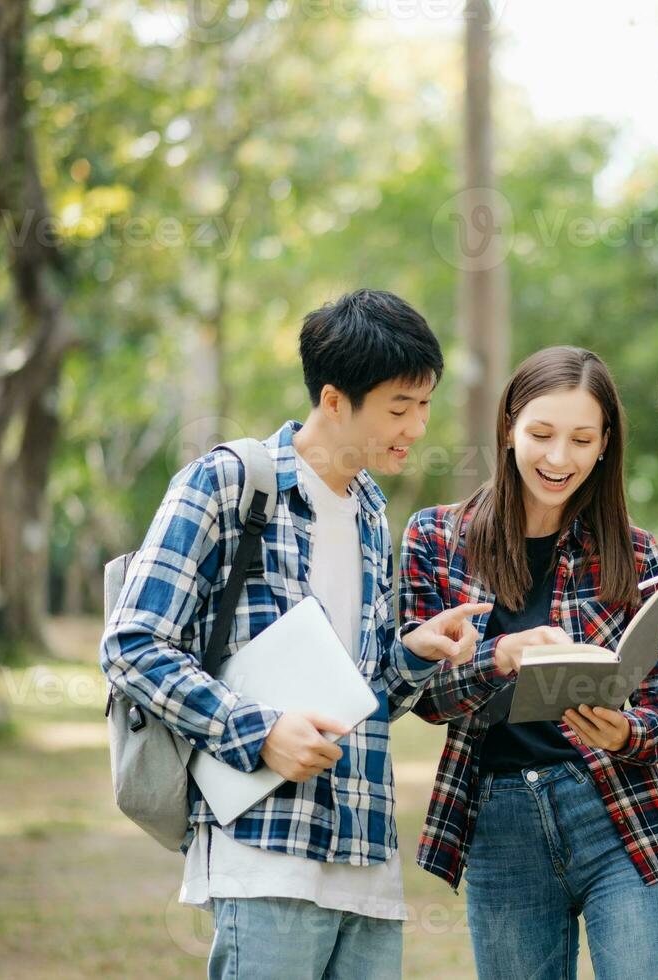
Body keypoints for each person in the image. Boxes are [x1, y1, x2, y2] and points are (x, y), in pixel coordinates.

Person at [100, 288, 489, 980]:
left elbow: (356, 696)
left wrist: (412, 654)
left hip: (365, 853)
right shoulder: (229, 483)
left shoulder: (371, 514)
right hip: (264, 849)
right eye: (400, 408)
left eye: (424, 405)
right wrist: (260, 732)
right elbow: (132, 645)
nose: (418, 427)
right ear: (335, 401)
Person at [400, 346, 658, 979]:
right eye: (541, 434)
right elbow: (420, 696)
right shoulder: (434, 537)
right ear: (509, 426)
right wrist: (497, 657)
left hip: (618, 813)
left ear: (604, 444)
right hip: (499, 823)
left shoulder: (637, 555)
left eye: (581, 439)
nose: (559, 459)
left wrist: (627, 731)